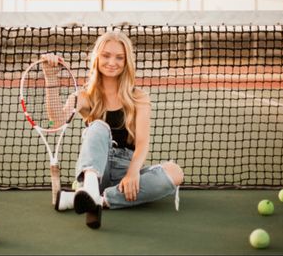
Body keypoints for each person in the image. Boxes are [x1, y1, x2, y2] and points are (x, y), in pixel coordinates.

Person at [41, 30, 184, 229]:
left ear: (126, 62)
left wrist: (133, 173)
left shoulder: (139, 97)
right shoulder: (84, 96)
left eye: (119, 57)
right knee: (98, 126)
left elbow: (142, 143)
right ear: (97, 58)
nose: (112, 62)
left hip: (125, 173)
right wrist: (51, 79)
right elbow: (56, 121)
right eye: (106, 56)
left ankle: (95, 200)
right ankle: (90, 187)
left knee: (175, 172)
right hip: (97, 170)